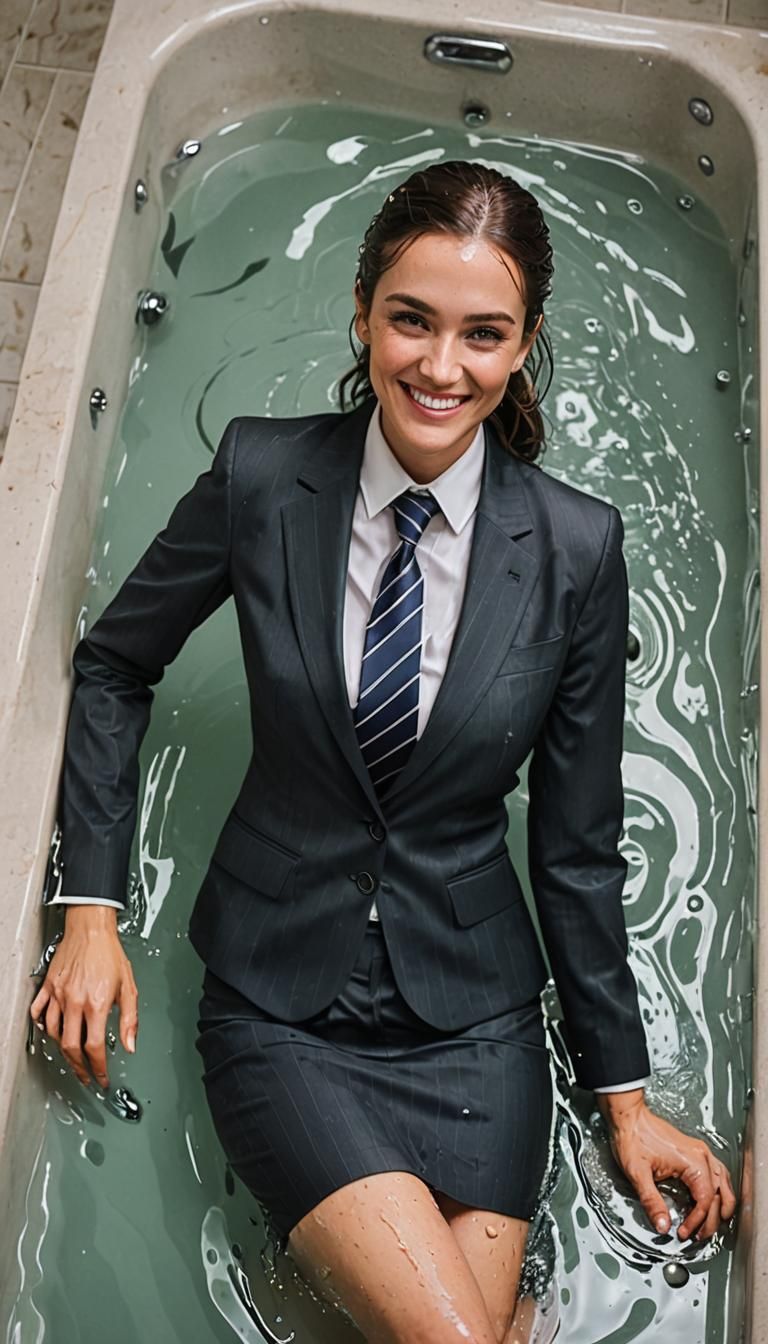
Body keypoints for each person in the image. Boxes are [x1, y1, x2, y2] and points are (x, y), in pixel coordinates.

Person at [30, 161, 736, 1344]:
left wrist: (625, 1101)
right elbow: (112, 666)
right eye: (412, 319)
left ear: (524, 346)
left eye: (483, 334)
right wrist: (90, 912)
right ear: (362, 312)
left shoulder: (576, 549)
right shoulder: (264, 477)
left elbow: (577, 848)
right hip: (279, 1004)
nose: (441, 366)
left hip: (477, 1026)